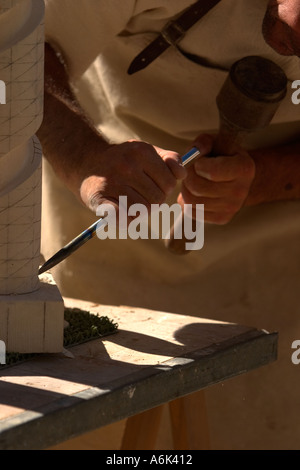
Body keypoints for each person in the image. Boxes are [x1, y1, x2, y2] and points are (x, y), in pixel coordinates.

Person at [40, 0, 300, 450]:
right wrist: (83, 156)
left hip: (277, 261)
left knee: (252, 423)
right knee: (93, 421)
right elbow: (14, 58)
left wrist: (265, 178)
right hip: (115, 215)